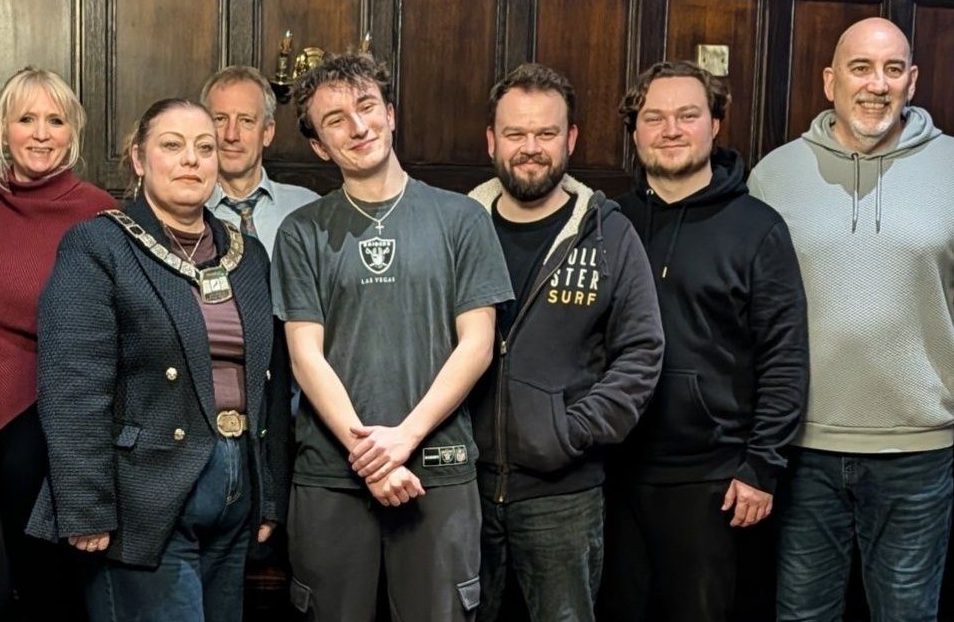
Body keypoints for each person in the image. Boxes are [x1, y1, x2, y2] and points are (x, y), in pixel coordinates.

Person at [748, 17, 954, 622]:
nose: (877, 84)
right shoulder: (773, 176)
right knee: (801, 617)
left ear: (912, 81)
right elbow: (747, 317)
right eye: (861, 68)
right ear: (830, 81)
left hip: (917, 454)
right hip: (800, 451)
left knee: (906, 616)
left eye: (893, 69)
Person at [31, 97, 291, 622]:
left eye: (205, 148)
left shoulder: (247, 255)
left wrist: (268, 496)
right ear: (139, 159)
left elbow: (271, 382)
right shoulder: (98, 245)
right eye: (172, 146)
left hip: (235, 490)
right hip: (142, 494)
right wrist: (85, 505)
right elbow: (72, 386)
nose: (191, 160)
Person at [275, 52, 512, 622]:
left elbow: (477, 345)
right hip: (332, 476)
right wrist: (373, 459)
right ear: (319, 146)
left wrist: (405, 437)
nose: (357, 126)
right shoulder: (301, 231)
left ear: (391, 114)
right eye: (335, 120)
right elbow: (306, 358)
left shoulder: (462, 219)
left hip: (438, 468)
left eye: (367, 107)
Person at [601, 60, 809, 622]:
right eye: (654, 118)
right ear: (635, 132)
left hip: (714, 480)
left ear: (715, 125)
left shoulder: (758, 228)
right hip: (612, 473)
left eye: (687, 116)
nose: (670, 130)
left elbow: (785, 358)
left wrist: (761, 466)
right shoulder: (609, 223)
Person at [465, 63, 665, 622]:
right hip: (461, 487)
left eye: (546, 133)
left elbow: (642, 352)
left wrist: (569, 431)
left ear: (570, 139)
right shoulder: (459, 228)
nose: (531, 148)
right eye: (515, 133)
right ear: (491, 140)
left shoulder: (609, 233)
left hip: (563, 496)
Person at [0, 66, 116, 622]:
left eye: (55, 120)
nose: (41, 133)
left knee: (50, 592)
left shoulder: (101, 214)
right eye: (26, 119)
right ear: (3, 130)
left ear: (73, 132)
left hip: (56, 431)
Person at [201, 65, 322, 255]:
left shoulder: (309, 208)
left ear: (267, 132)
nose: (231, 135)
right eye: (220, 119)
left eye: (246, 121)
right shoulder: (186, 214)